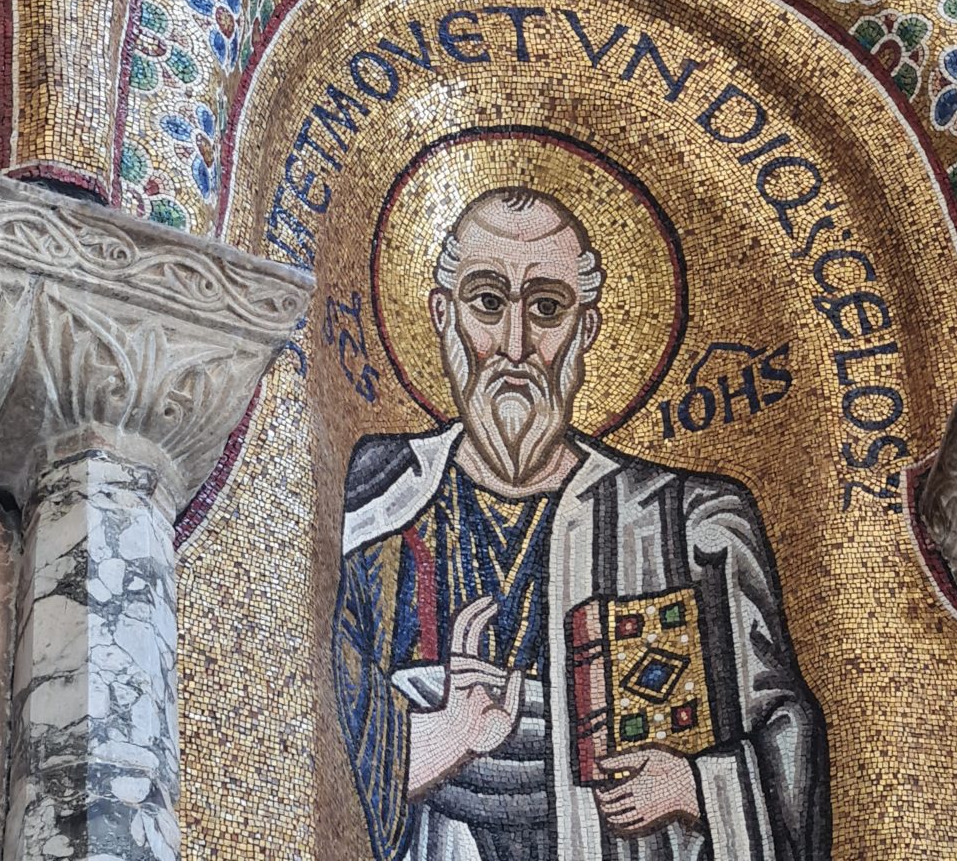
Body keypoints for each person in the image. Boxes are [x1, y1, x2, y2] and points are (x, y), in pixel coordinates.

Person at [333, 187, 830, 861]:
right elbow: (323, 737)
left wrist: (697, 787)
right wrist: (449, 736)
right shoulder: (380, 502)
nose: (515, 345)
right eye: (487, 303)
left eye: (546, 308)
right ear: (443, 316)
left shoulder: (687, 524)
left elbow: (788, 739)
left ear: (586, 329)